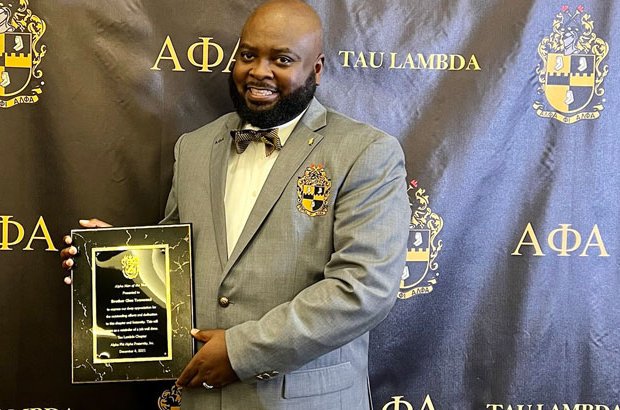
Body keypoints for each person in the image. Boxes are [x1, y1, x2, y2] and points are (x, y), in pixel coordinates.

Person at [61, 1, 409, 408]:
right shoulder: (192, 147)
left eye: (281, 59)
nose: (259, 71)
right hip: (198, 399)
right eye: (248, 55)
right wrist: (118, 261)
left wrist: (241, 352)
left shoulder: (366, 152)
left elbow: (363, 288)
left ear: (315, 69)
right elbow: (177, 265)